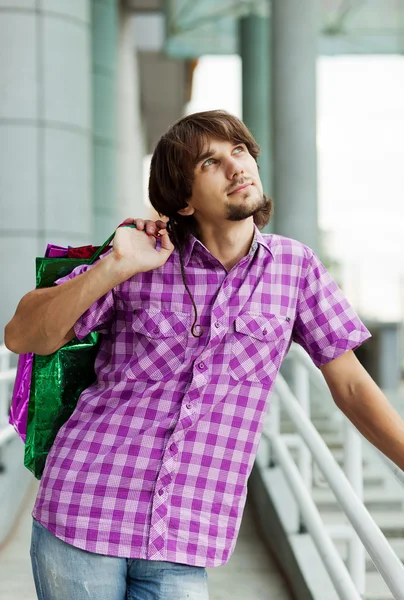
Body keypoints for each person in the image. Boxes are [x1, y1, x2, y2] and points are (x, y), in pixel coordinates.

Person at [4, 109, 404, 600]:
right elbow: (24, 335)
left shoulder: (295, 269)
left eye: (239, 151)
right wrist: (114, 266)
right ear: (184, 200)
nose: (237, 166)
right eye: (210, 162)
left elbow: (351, 384)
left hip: (187, 537)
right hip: (84, 507)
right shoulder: (141, 257)